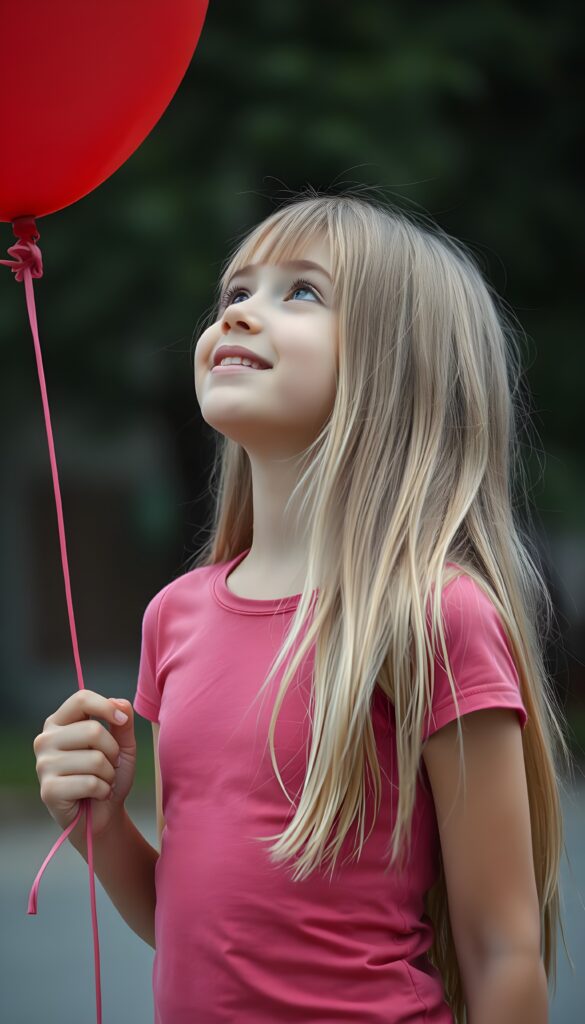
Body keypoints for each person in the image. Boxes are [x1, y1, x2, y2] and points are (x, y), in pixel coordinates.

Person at [33, 188, 572, 1023]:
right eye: (236, 293)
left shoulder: (437, 616)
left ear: (399, 367)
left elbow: (501, 949)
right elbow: (197, 926)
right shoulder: (172, 618)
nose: (241, 315)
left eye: (302, 292)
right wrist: (102, 823)